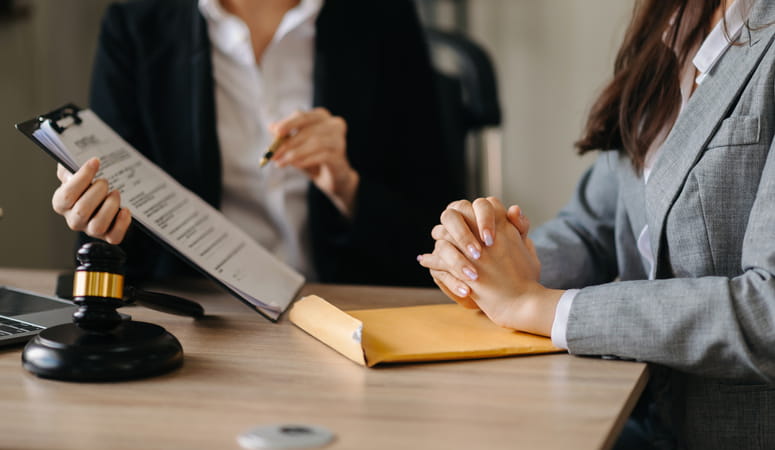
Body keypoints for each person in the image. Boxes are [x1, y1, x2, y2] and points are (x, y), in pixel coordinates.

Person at [419, 0, 775, 448]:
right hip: (640, 409)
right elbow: (593, 227)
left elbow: (768, 310)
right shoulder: (672, 23)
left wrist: (540, 307)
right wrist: (491, 261)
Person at [51, 0, 458, 286]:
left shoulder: (384, 20)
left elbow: (433, 227)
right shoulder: (134, 30)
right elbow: (118, 247)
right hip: (201, 318)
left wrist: (347, 186)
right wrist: (94, 214)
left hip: (345, 310)